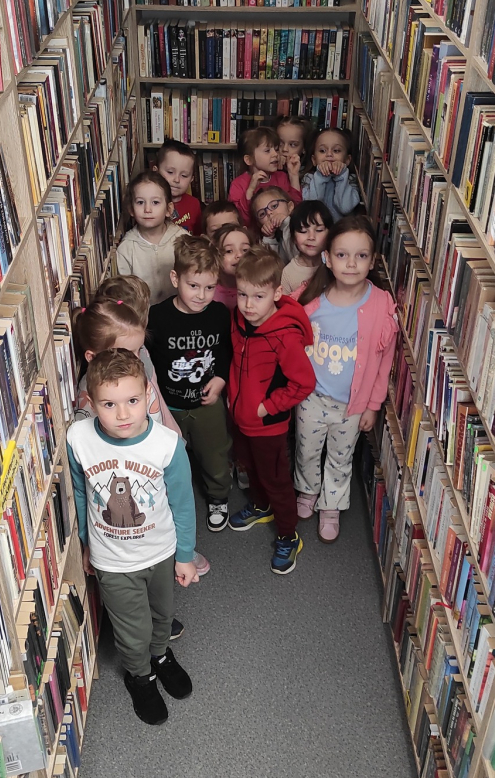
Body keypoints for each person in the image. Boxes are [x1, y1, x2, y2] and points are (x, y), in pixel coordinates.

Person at [67, 349, 197, 726]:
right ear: (91, 402)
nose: (123, 414)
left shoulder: (167, 444)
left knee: (161, 616)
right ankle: (140, 676)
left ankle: (160, 655)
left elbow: (183, 503)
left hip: (161, 553)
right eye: (109, 404)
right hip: (112, 561)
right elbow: (80, 494)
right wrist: (86, 543)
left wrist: (185, 555)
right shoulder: (78, 438)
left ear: (148, 394)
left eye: (133, 401)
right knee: (131, 629)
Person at [73, 286, 210, 620]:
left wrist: (172, 436)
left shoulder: (139, 365)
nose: (137, 359)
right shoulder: (91, 409)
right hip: (119, 539)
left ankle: (177, 555)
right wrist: (88, 541)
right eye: (129, 352)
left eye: (139, 350)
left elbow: (154, 398)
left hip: (156, 464)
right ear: (93, 358)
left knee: (167, 507)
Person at [294, 214, 398, 543]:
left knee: (341, 458)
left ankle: (331, 506)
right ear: (327, 258)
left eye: (361, 255)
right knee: (307, 451)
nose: (351, 264)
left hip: (351, 406)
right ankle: (308, 490)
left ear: (373, 260)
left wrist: (373, 405)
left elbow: (384, 360)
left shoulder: (380, 304)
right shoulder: (311, 298)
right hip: (311, 397)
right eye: (342, 254)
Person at [227, 247, 315, 575]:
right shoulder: (239, 320)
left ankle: (288, 535)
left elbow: (303, 383)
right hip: (239, 417)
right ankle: (261, 507)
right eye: (242, 294)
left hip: (268, 426)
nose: (248, 305)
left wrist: (267, 407)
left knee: (276, 480)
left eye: (258, 296)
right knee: (250, 467)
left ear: (277, 294)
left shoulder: (285, 337)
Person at [147, 238, 232, 533]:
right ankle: (168, 502)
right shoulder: (157, 316)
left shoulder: (219, 314)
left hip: (207, 403)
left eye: (209, 287)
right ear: (175, 279)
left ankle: (219, 496)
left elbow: (226, 352)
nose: (201, 295)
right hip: (168, 404)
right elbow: (147, 359)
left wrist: (221, 379)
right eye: (193, 286)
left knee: (215, 452)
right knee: (169, 457)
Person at [115, 172, 188, 304]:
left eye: (155, 202)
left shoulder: (183, 239)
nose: (147, 209)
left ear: (169, 209)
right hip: (143, 314)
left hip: (180, 310)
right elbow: (124, 294)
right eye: (140, 202)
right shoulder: (126, 249)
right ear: (131, 209)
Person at [228, 127, 301, 226]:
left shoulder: (281, 177)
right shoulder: (238, 184)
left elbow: (296, 209)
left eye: (276, 149)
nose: (275, 154)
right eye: (267, 150)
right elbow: (239, 221)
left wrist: (293, 175)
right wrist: (250, 190)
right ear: (249, 160)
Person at [302, 127, 360, 221]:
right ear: (314, 160)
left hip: (341, 229)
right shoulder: (309, 178)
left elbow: (345, 208)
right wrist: (321, 176)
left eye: (336, 150)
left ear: (347, 160)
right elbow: (312, 208)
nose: (329, 154)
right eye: (322, 151)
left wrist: (341, 176)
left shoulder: (350, 180)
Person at [281, 200, 333, 293]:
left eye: (319, 230)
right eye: (303, 231)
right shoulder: (288, 273)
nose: (311, 237)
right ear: (293, 237)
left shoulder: (336, 264)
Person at [153, 138, 202, 234]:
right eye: (170, 172)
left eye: (184, 175)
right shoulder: (149, 202)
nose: (176, 180)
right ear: (156, 171)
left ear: (191, 179)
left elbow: (197, 236)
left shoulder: (194, 204)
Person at [212, 223, 254, 309]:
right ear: (216, 255)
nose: (239, 255)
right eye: (229, 251)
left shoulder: (260, 288)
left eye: (245, 250)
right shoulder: (208, 292)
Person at [249, 187, 295, 264]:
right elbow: (272, 267)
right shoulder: (263, 241)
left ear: (290, 207)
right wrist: (269, 238)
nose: (269, 213)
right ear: (259, 224)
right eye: (262, 214)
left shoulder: (303, 229)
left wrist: (286, 224)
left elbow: (297, 257)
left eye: (274, 206)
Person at [275, 114, 310, 182]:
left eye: (293, 145)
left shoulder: (308, 177)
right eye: (280, 143)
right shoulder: (268, 166)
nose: (285, 149)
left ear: (304, 148)